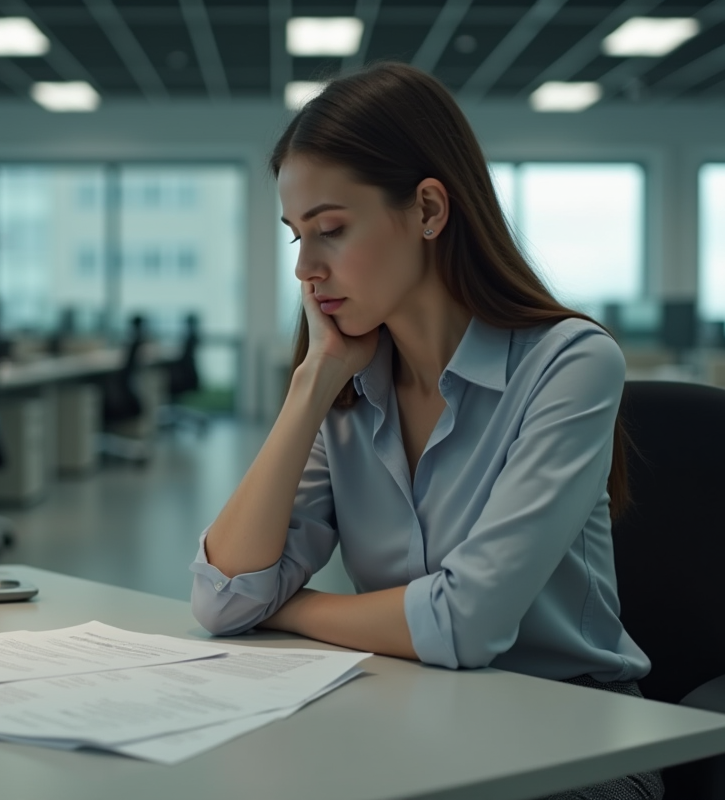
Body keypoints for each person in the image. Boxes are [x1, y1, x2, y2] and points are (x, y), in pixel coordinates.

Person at [189, 63, 661, 800]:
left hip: (571, 745)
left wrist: (287, 608)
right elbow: (222, 597)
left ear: (430, 210)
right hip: (416, 727)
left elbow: (464, 623)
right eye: (295, 237)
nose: (307, 269)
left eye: (332, 230)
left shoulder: (569, 364)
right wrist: (313, 383)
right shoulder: (349, 388)